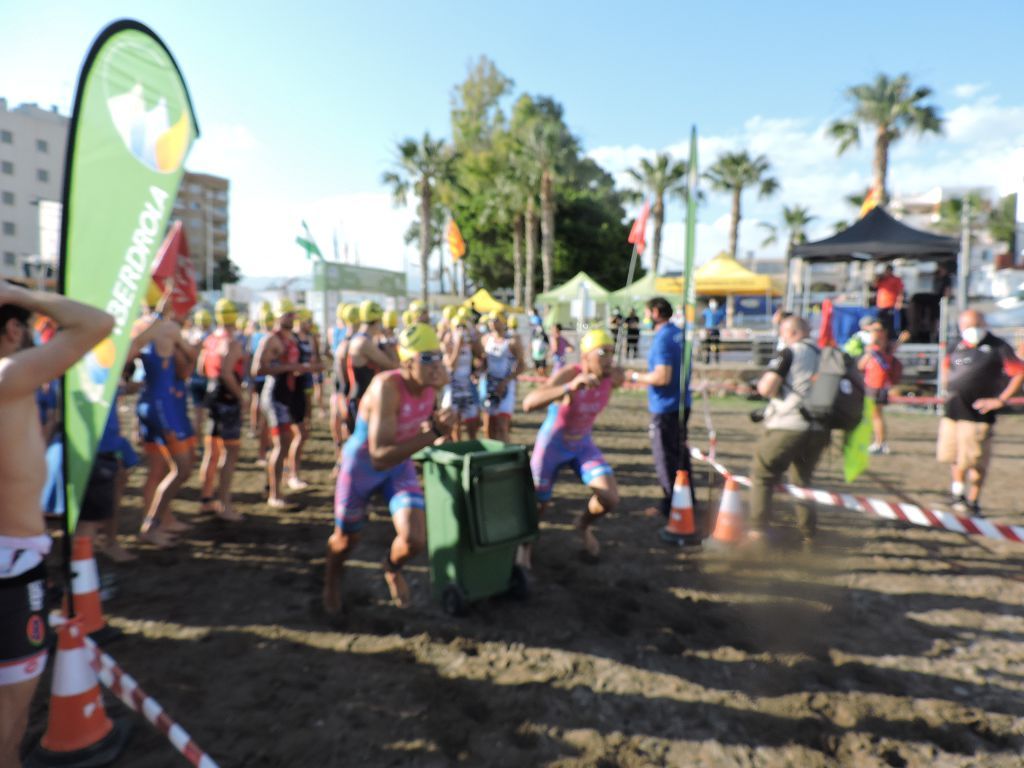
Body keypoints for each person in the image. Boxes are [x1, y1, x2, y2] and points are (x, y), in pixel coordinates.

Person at [0, 281, 112, 768]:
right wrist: (17, 292)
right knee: (9, 721)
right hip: (11, 570)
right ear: (11, 330)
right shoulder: (7, 375)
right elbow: (97, 323)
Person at [323, 323, 454, 614]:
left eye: (438, 357)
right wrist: (433, 432)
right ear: (407, 363)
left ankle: (392, 568)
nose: (436, 366)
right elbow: (379, 455)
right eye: (427, 359)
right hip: (362, 467)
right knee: (345, 541)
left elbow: (426, 419)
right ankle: (331, 581)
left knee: (415, 540)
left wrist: (438, 422)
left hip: (398, 467)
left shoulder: (433, 383)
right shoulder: (387, 387)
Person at [521, 329, 624, 567]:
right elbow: (529, 403)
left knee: (610, 497)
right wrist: (569, 388)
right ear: (586, 357)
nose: (609, 359)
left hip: (582, 445)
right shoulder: (570, 374)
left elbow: (640, 376)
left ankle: (583, 525)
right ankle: (525, 546)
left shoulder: (613, 377)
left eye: (611, 352)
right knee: (538, 504)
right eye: (602, 353)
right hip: (552, 445)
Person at [749, 315, 830, 549]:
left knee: (762, 474)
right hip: (819, 429)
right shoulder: (824, 353)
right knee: (802, 481)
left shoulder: (789, 352)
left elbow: (767, 387)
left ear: (791, 332)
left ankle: (757, 532)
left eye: (782, 332)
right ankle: (809, 535)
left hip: (788, 425)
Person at [938, 310, 1024, 515]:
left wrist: (1000, 400)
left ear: (984, 324)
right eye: (967, 325)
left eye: (976, 324)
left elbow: (1019, 372)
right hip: (953, 411)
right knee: (954, 456)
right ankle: (957, 493)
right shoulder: (956, 344)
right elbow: (946, 365)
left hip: (978, 415)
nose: (972, 330)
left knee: (975, 459)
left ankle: (973, 500)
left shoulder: (998, 346)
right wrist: (946, 385)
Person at [132, 296, 199, 546]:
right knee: (182, 468)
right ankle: (152, 525)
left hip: (148, 401)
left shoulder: (139, 325)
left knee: (158, 469)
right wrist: (192, 347)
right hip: (164, 405)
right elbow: (192, 357)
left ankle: (163, 519)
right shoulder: (168, 328)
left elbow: (130, 354)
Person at [629, 298, 692, 520]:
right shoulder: (679, 334)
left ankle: (671, 506)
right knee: (681, 456)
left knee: (666, 458)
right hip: (681, 404)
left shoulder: (663, 339)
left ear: (655, 312)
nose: (645, 318)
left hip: (665, 407)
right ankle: (686, 501)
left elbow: (662, 376)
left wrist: (635, 376)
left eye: (646, 313)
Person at [253, 299, 316, 509]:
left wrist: (304, 368)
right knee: (281, 445)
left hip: (287, 393)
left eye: (292, 315)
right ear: (278, 317)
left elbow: (291, 366)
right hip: (274, 394)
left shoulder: (291, 339)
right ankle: (274, 494)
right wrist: (290, 367)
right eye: (287, 315)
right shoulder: (271, 340)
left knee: (286, 441)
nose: (291, 318)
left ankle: (271, 486)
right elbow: (257, 370)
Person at [197, 299, 246, 521]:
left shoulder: (210, 340)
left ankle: (206, 499)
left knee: (211, 451)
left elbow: (200, 368)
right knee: (230, 452)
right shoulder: (231, 343)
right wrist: (240, 396)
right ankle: (224, 504)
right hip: (227, 400)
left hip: (212, 397)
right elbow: (227, 373)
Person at [346, 300, 399, 434]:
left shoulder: (364, 340)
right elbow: (393, 364)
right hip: (361, 399)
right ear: (377, 321)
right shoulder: (364, 343)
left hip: (365, 397)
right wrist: (387, 342)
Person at [478, 312, 524, 442]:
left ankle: (505, 454)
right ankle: (491, 455)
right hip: (489, 385)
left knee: (502, 426)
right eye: (490, 320)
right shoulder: (486, 339)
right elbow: (484, 362)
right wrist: (478, 371)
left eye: (495, 319)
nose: (492, 322)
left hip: (506, 386)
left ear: (503, 321)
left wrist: (507, 380)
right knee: (488, 426)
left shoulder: (512, 341)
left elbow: (522, 365)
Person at [858, 319, 902, 455]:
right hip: (874, 384)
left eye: (876, 330)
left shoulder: (879, 347)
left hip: (877, 385)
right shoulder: (878, 348)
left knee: (875, 416)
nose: (873, 332)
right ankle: (879, 442)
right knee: (874, 416)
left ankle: (880, 443)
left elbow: (861, 365)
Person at [442, 311, 483, 440]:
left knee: (472, 422)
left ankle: (472, 447)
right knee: (456, 423)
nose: (461, 330)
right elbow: (450, 365)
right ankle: (457, 446)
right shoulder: (448, 341)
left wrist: (474, 337)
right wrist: (457, 347)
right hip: (453, 386)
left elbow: (481, 356)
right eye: (458, 327)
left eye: (463, 327)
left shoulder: (469, 343)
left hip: (467, 385)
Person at [330, 304, 360, 465]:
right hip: (348, 392)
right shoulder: (350, 342)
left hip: (343, 390)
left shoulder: (338, 336)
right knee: (348, 427)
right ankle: (343, 461)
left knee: (342, 424)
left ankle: (340, 460)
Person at [247, 308, 274, 465]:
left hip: (258, 377)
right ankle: (263, 451)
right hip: (267, 378)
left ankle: (253, 427)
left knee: (256, 404)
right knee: (266, 417)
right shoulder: (271, 338)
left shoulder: (255, 336)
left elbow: (249, 357)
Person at [186, 308, 213, 439]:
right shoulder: (213, 337)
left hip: (194, 379)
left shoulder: (190, 336)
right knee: (209, 415)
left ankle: (196, 441)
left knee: (197, 413)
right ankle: (207, 445)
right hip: (207, 378)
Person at [871, 264, 905, 337]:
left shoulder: (896, 279)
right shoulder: (881, 279)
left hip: (891, 304)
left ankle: (891, 336)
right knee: (880, 321)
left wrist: (899, 302)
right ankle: (881, 335)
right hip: (880, 305)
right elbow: (874, 285)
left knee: (890, 322)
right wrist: (877, 277)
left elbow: (900, 291)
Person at [701, 299, 726, 364]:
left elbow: (722, 320)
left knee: (716, 345)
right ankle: (706, 359)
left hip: (715, 330)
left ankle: (716, 360)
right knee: (707, 345)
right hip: (708, 330)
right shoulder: (706, 311)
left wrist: (719, 325)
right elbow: (703, 318)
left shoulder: (719, 311)